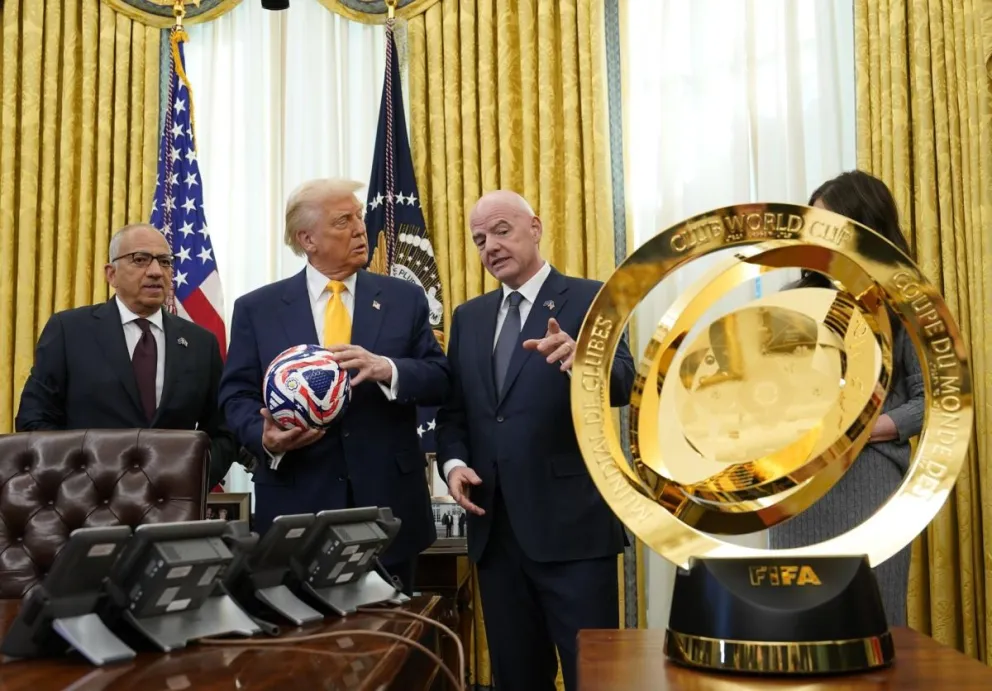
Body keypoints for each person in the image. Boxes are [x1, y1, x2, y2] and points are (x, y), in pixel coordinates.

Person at [436, 190, 635, 691]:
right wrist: (454, 464)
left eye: (501, 231)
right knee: (516, 678)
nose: (491, 247)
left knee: (596, 679)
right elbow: (456, 411)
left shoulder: (589, 298)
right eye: (480, 239)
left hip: (573, 529)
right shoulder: (469, 318)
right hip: (496, 534)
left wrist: (583, 360)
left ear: (535, 227)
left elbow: (626, 383)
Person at [219, 178, 449, 594]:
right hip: (296, 507)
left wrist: (389, 369)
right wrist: (265, 437)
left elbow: (440, 378)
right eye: (344, 221)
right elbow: (235, 397)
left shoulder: (405, 300)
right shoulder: (258, 309)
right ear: (308, 238)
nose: (361, 229)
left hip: (388, 508)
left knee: (392, 648)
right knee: (308, 654)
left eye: (359, 217)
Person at [769, 170, 924, 626]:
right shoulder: (794, 300)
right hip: (797, 489)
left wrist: (861, 431)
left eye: (829, 226)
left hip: (871, 482)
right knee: (795, 631)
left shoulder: (908, 303)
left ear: (865, 228)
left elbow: (931, 401)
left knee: (873, 628)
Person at [15, 223, 241, 488]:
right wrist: (79, 478)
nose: (156, 272)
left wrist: (191, 477)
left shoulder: (200, 343)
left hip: (172, 504)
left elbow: (223, 431)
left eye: (165, 262)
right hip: (85, 502)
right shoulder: (69, 331)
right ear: (111, 274)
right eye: (141, 260)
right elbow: (34, 419)